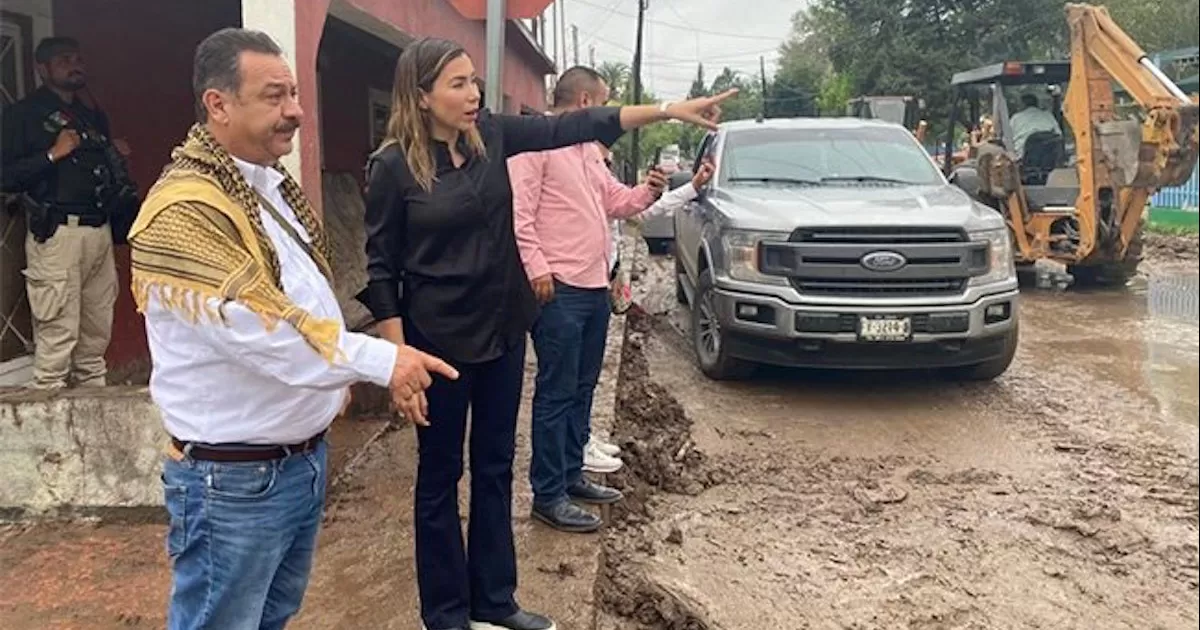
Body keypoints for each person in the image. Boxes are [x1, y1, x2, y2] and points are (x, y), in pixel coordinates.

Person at [361, 37, 734, 630]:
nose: (473, 93)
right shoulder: (393, 167)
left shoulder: (495, 139)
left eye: (473, 82)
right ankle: (447, 615)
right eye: (457, 84)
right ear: (422, 95)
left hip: (503, 333)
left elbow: (579, 122)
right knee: (439, 480)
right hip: (437, 347)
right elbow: (381, 269)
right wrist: (396, 356)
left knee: (495, 467)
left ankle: (494, 603)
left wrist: (666, 110)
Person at [127, 28, 456, 629]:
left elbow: (307, 308)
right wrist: (385, 360)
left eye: (296, 95)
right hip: (232, 483)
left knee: (270, 617)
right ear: (218, 105)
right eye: (275, 96)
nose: (296, 112)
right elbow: (266, 334)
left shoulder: (264, 190)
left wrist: (337, 381)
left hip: (293, 467)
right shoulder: (186, 213)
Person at [508, 66, 673, 534]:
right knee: (556, 393)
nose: (607, 110)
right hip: (557, 290)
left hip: (593, 286)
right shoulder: (534, 142)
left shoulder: (585, 149)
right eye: (603, 101)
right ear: (584, 102)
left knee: (582, 388)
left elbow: (614, 202)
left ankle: (570, 474)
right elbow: (520, 213)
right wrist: (537, 268)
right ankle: (548, 493)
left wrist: (649, 191)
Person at [1, 36, 134, 389]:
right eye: (63, 60)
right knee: (56, 343)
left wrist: (112, 152)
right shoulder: (23, 116)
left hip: (98, 232)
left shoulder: (91, 115)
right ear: (41, 68)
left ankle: (95, 431)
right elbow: (5, 175)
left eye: (77, 59)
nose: (75, 65)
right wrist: (50, 155)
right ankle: (47, 437)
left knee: (94, 342)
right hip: (58, 234)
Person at [1008, 93, 1061, 161]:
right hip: (1047, 157)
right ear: (1036, 103)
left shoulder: (1015, 118)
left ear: (1023, 104)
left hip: (1023, 156)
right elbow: (1058, 135)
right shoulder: (1048, 115)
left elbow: (1008, 138)